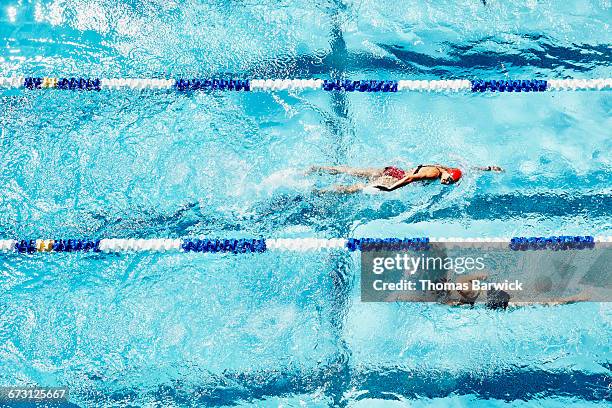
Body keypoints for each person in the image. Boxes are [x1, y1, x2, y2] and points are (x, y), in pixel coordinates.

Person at [308, 164, 503, 193]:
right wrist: (392, 188)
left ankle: (318, 169)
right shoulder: (434, 173)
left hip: (393, 169)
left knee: (353, 171)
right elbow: (410, 178)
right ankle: (322, 191)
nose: (446, 182)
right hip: (394, 179)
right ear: (445, 174)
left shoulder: (445, 168)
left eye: (450, 183)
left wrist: (488, 168)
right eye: (448, 180)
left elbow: (469, 169)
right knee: (358, 188)